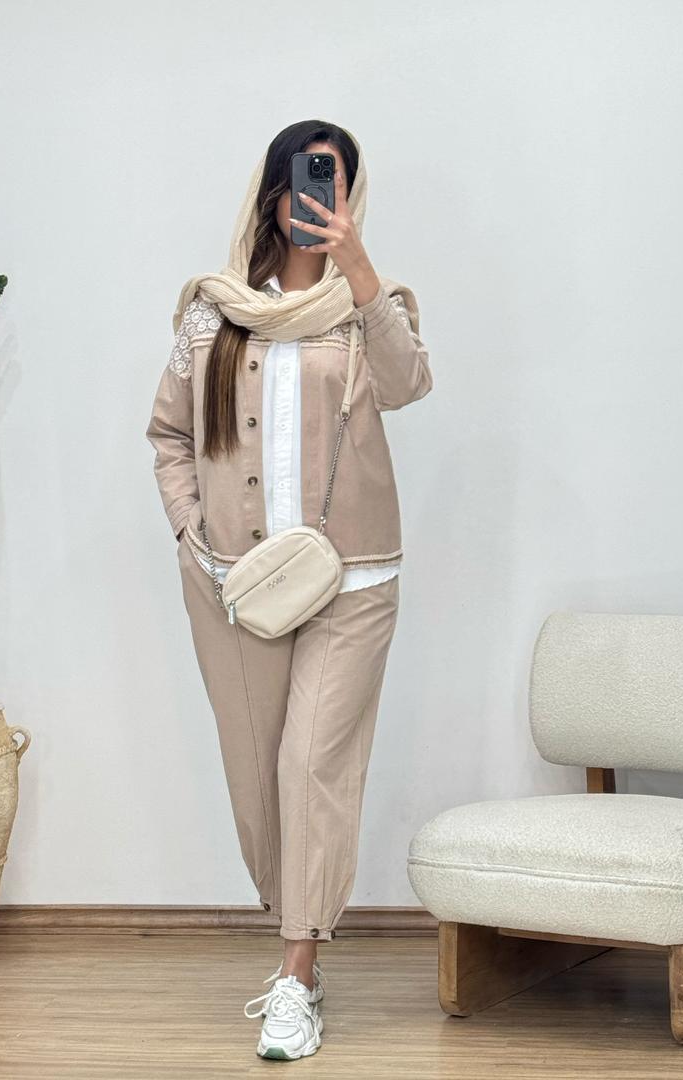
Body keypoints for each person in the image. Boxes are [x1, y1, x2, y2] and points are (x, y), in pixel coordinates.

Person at [146, 119, 433, 1060]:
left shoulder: (369, 306)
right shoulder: (215, 313)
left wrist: (359, 266)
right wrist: (190, 531)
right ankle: (298, 924)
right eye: (308, 183)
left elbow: (409, 384)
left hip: (353, 580)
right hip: (235, 582)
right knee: (258, 772)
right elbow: (168, 435)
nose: (320, 201)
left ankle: (296, 976)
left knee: (311, 763)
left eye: (336, 185)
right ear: (274, 194)